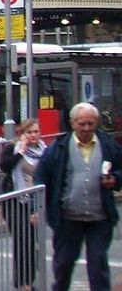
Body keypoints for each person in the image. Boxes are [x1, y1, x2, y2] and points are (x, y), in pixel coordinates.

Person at [35, 101, 122, 291]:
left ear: (96, 122)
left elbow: (120, 169)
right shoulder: (57, 149)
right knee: (63, 264)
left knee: (98, 263)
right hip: (67, 218)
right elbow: (41, 179)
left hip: (100, 217)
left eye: (91, 123)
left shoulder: (108, 145)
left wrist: (115, 180)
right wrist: (37, 208)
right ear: (72, 123)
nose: (86, 128)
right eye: (82, 124)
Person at [0, 118, 45, 291]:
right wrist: (21, 152)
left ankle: (29, 280)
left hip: (37, 203)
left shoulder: (44, 150)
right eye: (30, 132)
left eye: (36, 132)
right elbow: (4, 167)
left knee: (32, 243)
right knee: (22, 242)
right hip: (16, 202)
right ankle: (23, 283)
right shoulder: (13, 148)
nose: (33, 135)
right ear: (22, 134)